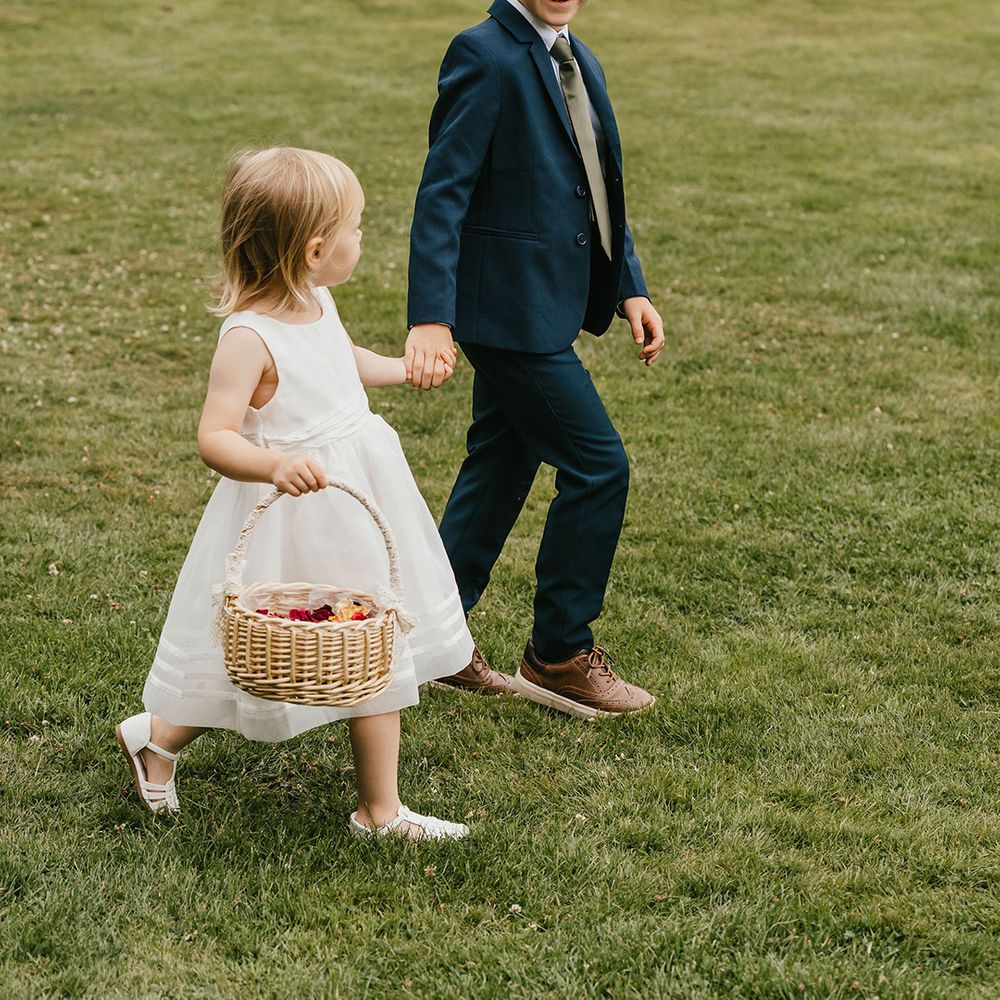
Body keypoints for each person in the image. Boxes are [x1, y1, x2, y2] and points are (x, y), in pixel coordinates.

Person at [116, 147, 474, 839]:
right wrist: (272, 466)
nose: (363, 235)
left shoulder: (317, 300)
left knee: (375, 641)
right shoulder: (247, 338)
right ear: (315, 249)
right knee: (251, 655)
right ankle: (156, 738)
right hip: (291, 515)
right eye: (356, 226)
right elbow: (215, 435)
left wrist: (400, 369)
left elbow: (339, 363)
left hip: (358, 499)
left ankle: (381, 809)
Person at [405, 0, 665, 717]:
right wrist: (431, 316)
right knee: (598, 465)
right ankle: (558, 654)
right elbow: (443, 191)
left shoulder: (580, 57)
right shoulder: (483, 54)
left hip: (545, 303)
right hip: (505, 312)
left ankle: (433, 633)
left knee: (501, 461)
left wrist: (630, 288)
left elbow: (598, 187)